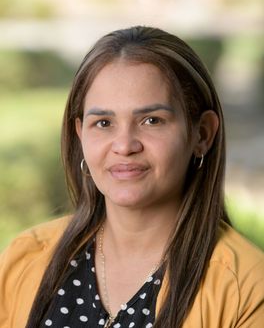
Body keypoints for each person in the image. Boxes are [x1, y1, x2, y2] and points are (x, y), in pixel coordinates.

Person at [0, 26, 263, 328]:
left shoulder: (247, 287)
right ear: (80, 134)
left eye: (152, 120)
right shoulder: (23, 259)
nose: (124, 146)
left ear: (202, 134)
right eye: (103, 123)